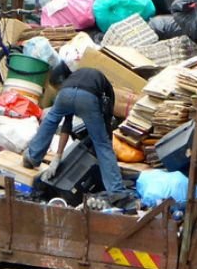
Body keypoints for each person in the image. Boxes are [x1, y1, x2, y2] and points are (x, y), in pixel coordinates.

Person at [23, 65, 126, 194]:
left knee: (50, 120)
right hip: (89, 97)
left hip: (65, 95)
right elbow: (106, 119)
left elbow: (66, 126)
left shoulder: (69, 82)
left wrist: (58, 156)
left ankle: (32, 156)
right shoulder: (104, 86)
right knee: (102, 144)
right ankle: (116, 191)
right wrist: (106, 141)